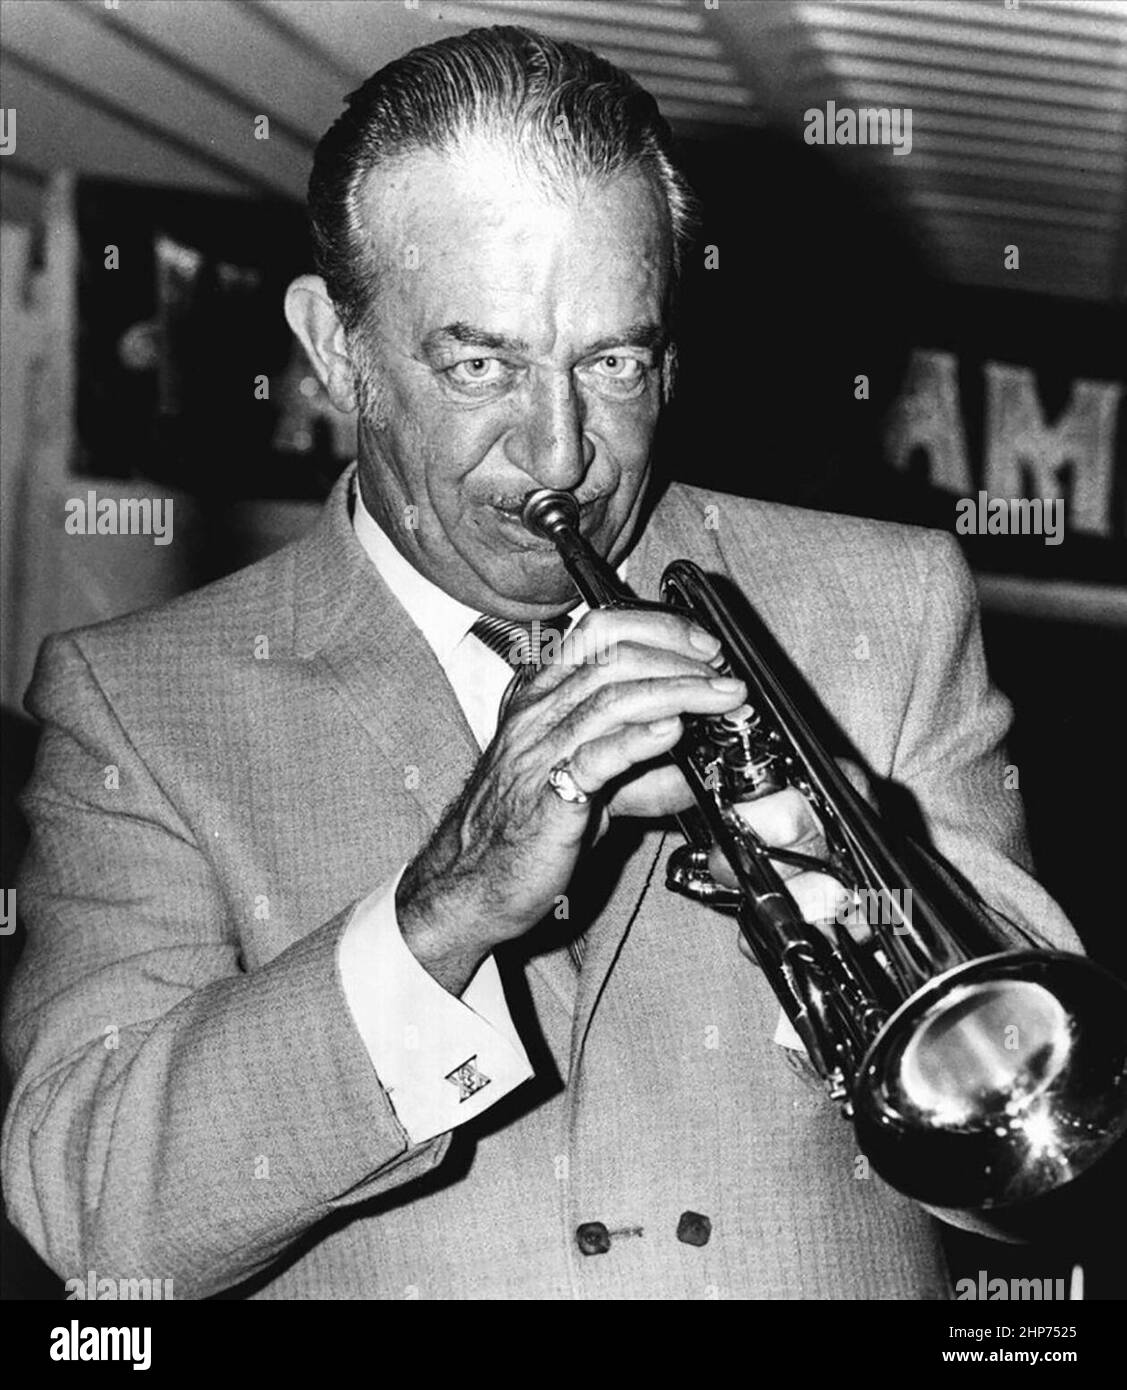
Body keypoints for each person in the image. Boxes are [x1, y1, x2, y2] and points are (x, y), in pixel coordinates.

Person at [2, 26, 1078, 1300]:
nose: (561, 452)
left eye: (612, 362)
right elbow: (93, 1215)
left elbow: (1030, 1138)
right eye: (480, 364)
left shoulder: (885, 601)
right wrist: (446, 902)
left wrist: (826, 877)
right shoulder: (136, 702)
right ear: (336, 347)